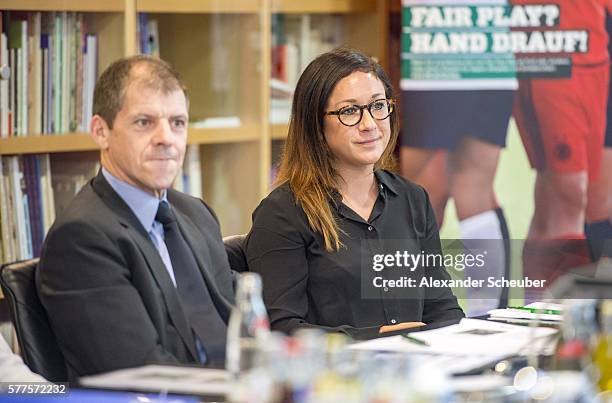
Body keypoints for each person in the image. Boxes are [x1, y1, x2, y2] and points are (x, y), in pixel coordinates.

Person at [36, 55, 234, 379]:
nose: (166, 138)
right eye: (144, 122)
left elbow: (239, 329)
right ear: (101, 131)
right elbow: (143, 372)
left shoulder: (196, 214)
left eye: (177, 123)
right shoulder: (82, 238)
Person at [245, 48, 464, 338]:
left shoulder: (413, 199)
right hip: (333, 378)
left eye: (377, 105)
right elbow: (281, 329)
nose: (370, 124)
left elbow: (442, 308)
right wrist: (380, 334)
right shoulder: (282, 212)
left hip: (413, 373)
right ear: (316, 125)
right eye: (349, 111)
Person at [399, 0, 516, 315]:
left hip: (443, 30)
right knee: (452, 186)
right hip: (483, 31)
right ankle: (481, 323)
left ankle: (422, 318)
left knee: (427, 188)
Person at [512, 0, 612, 287]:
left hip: (597, 44)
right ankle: (550, 316)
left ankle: (579, 315)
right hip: (555, 40)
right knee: (568, 193)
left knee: (596, 201)